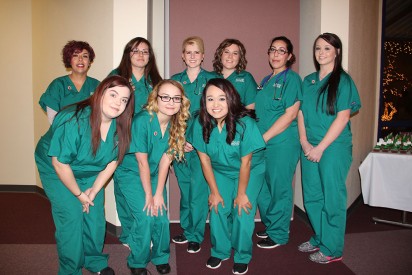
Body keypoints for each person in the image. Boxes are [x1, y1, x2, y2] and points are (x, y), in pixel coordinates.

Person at [35, 75, 135, 275]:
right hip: (56, 168)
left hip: (90, 170)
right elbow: (60, 164)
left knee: (95, 215)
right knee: (71, 216)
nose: (118, 103)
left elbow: (112, 161)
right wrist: (80, 195)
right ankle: (70, 269)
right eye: (113, 94)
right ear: (99, 94)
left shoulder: (121, 125)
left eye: (124, 100)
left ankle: (94, 261)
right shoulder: (74, 119)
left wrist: (93, 191)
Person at [297, 33, 361, 264]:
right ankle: (320, 237)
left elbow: (343, 118)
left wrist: (320, 147)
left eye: (327, 48)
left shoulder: (343, 81)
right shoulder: (308, 81)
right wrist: (304, 142)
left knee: (331, 197)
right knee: (312, 196)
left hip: (333, 146)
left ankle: (332, 248)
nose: (321, 53)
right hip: (309, 144)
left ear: (337, 52)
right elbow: (301, 112)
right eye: (318, 48)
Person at [191, 78, 265, 275]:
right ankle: (220, 251)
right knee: (217, 207)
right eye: (210, 99)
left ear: (231, 99)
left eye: (221, 99)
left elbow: (246, 163)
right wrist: (214, 192)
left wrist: (241, 194)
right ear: (204, 102)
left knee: (242, 209)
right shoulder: (200, 123)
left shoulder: (245, 123)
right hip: (220, 170)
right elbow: (204, 161)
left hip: (249, 170)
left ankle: (242, 255)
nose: (215, 105)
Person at [116, 80, 190, 275]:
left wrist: (159, 193)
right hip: (131, 173)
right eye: (165, 97)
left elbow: (166, 161)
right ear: (156, 98)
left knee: (161, 216)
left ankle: (160, 256)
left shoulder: (178, 122)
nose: (171, 102)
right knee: (146, 214)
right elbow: (141, 162)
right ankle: (137, 262)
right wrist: (149, 195)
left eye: (176, 98)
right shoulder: (143, 120)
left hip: (155, 172)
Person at [109, 37, 163, 246]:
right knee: (122, 192)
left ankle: (142, 233)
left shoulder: (156, 81)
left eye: (145, 51)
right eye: (135, 51)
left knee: (144, 190)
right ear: (128, 54)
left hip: (149, 146)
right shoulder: (117, 76)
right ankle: (128, 234)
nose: (141, 55)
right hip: (120, 143)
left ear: (150, 56)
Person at [254, 36, 302, 249]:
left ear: (289, 56)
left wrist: (264, 137)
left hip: (281, 143)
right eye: (272, 49)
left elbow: (290, 114)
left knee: (279, 187)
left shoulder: (292, 79)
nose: (275, 54)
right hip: (263, 143)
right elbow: (257, 109)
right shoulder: (265, 81)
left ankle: (280, 234)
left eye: (281, 51)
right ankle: (272, 225)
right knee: (263, 188)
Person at [170, 36, 215, 253]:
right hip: (179, 145)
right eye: (188, 52)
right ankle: (187, 229)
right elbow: (168, 113)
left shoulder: (213, 79)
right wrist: (179, 141)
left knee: (198, 192)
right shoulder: (175, 80)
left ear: (203, 55)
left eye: (197, 52)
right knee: (185, 190)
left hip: (203, 146)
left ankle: (196, 235)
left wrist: (195, 142)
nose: (192, 56)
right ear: (182, 55)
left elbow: (218, 113)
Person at [39, 40, 99, 125]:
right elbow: (53, 120)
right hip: (62, 135)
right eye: (75, 55)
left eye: (85, 56)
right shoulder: (58, 85)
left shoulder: (97, 86)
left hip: (88, 135)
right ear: (69, 60)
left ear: (89, 61)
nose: (80, 59)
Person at [212, 38, 257, 109]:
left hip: (238, 119)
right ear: (220, 55)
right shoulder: (210, 77)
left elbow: (251, 109)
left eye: (235, 53)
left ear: (240, 57)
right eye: (226, 52)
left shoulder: (246, 78)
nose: (230, 56)